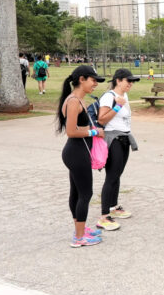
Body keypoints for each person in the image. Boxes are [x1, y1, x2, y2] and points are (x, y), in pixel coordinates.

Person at [56, 65, 106, 247]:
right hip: (76, 152)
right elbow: (71, 131)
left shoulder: (79, 100)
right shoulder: (73, 101)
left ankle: (80, 228)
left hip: (79, 151)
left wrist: (92, 129)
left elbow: (79, 127)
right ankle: (79, 237)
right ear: (82, 79)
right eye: (93, 80)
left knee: (76, 192)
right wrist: (94, 133)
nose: (95, 85)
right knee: (85, 193)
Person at [95, 68, 139, 231]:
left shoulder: (124, 96)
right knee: (111, 177)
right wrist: (116, 107)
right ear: (118, 80)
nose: (131, 84)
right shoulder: (109, 97)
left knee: (117, 174)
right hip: (113, 139)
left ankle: (114, 207)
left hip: (124, 138)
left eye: (132, 81)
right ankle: (104, 216)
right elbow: (102, 119)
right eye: (129, 81)